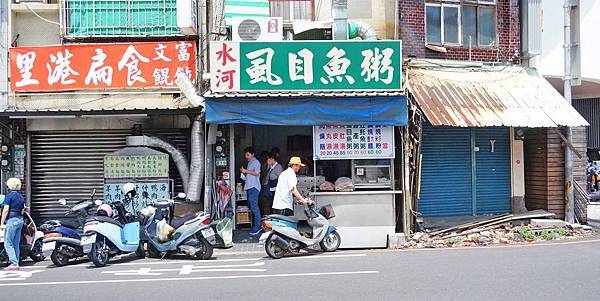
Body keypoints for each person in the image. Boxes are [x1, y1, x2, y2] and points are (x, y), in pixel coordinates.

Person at [1, 178, 26, 271]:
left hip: (12, 220)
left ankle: (14, 263)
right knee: (16, 242)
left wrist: (2, 222)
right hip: (20, 219)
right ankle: (16, 262)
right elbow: (23, 210)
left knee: (8, 243)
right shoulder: (21, 197)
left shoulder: (9, 196)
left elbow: (6, 209)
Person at [240, 147, 262, 236]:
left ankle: (258, 226)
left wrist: (245, 171)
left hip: (254, 187)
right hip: (250, 187)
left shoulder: (256, 162)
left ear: (252, 154)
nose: (246, 156)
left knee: (254, 207)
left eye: (248, 154)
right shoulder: (250, 162)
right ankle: (256, 225)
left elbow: (257, 173)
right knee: (252, 206)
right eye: (245, 155)